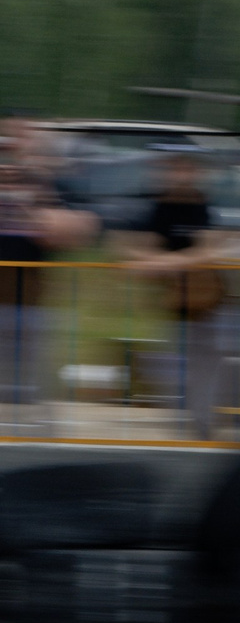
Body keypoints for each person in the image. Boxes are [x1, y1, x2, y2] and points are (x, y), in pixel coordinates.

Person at [0, 125, 99, 433]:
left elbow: (68, 234)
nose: (15, 154)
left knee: (35, 377)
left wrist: (31, 201)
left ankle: (38, 433)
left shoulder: (52, 185)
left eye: (24, 143)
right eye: (8, 145)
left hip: (36, 297)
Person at [122, 143, 233, 439]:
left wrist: (167, 262)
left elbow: (208, 250)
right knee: (182, 360)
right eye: (174, 168)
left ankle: (203, 421)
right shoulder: (158, 207)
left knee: (206, 361)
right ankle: (190, 418)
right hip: (175, 300)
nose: (179, 175)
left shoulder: (204, 205)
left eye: (186, 169)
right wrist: (160, 261)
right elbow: (134, 247)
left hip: (208, 300)